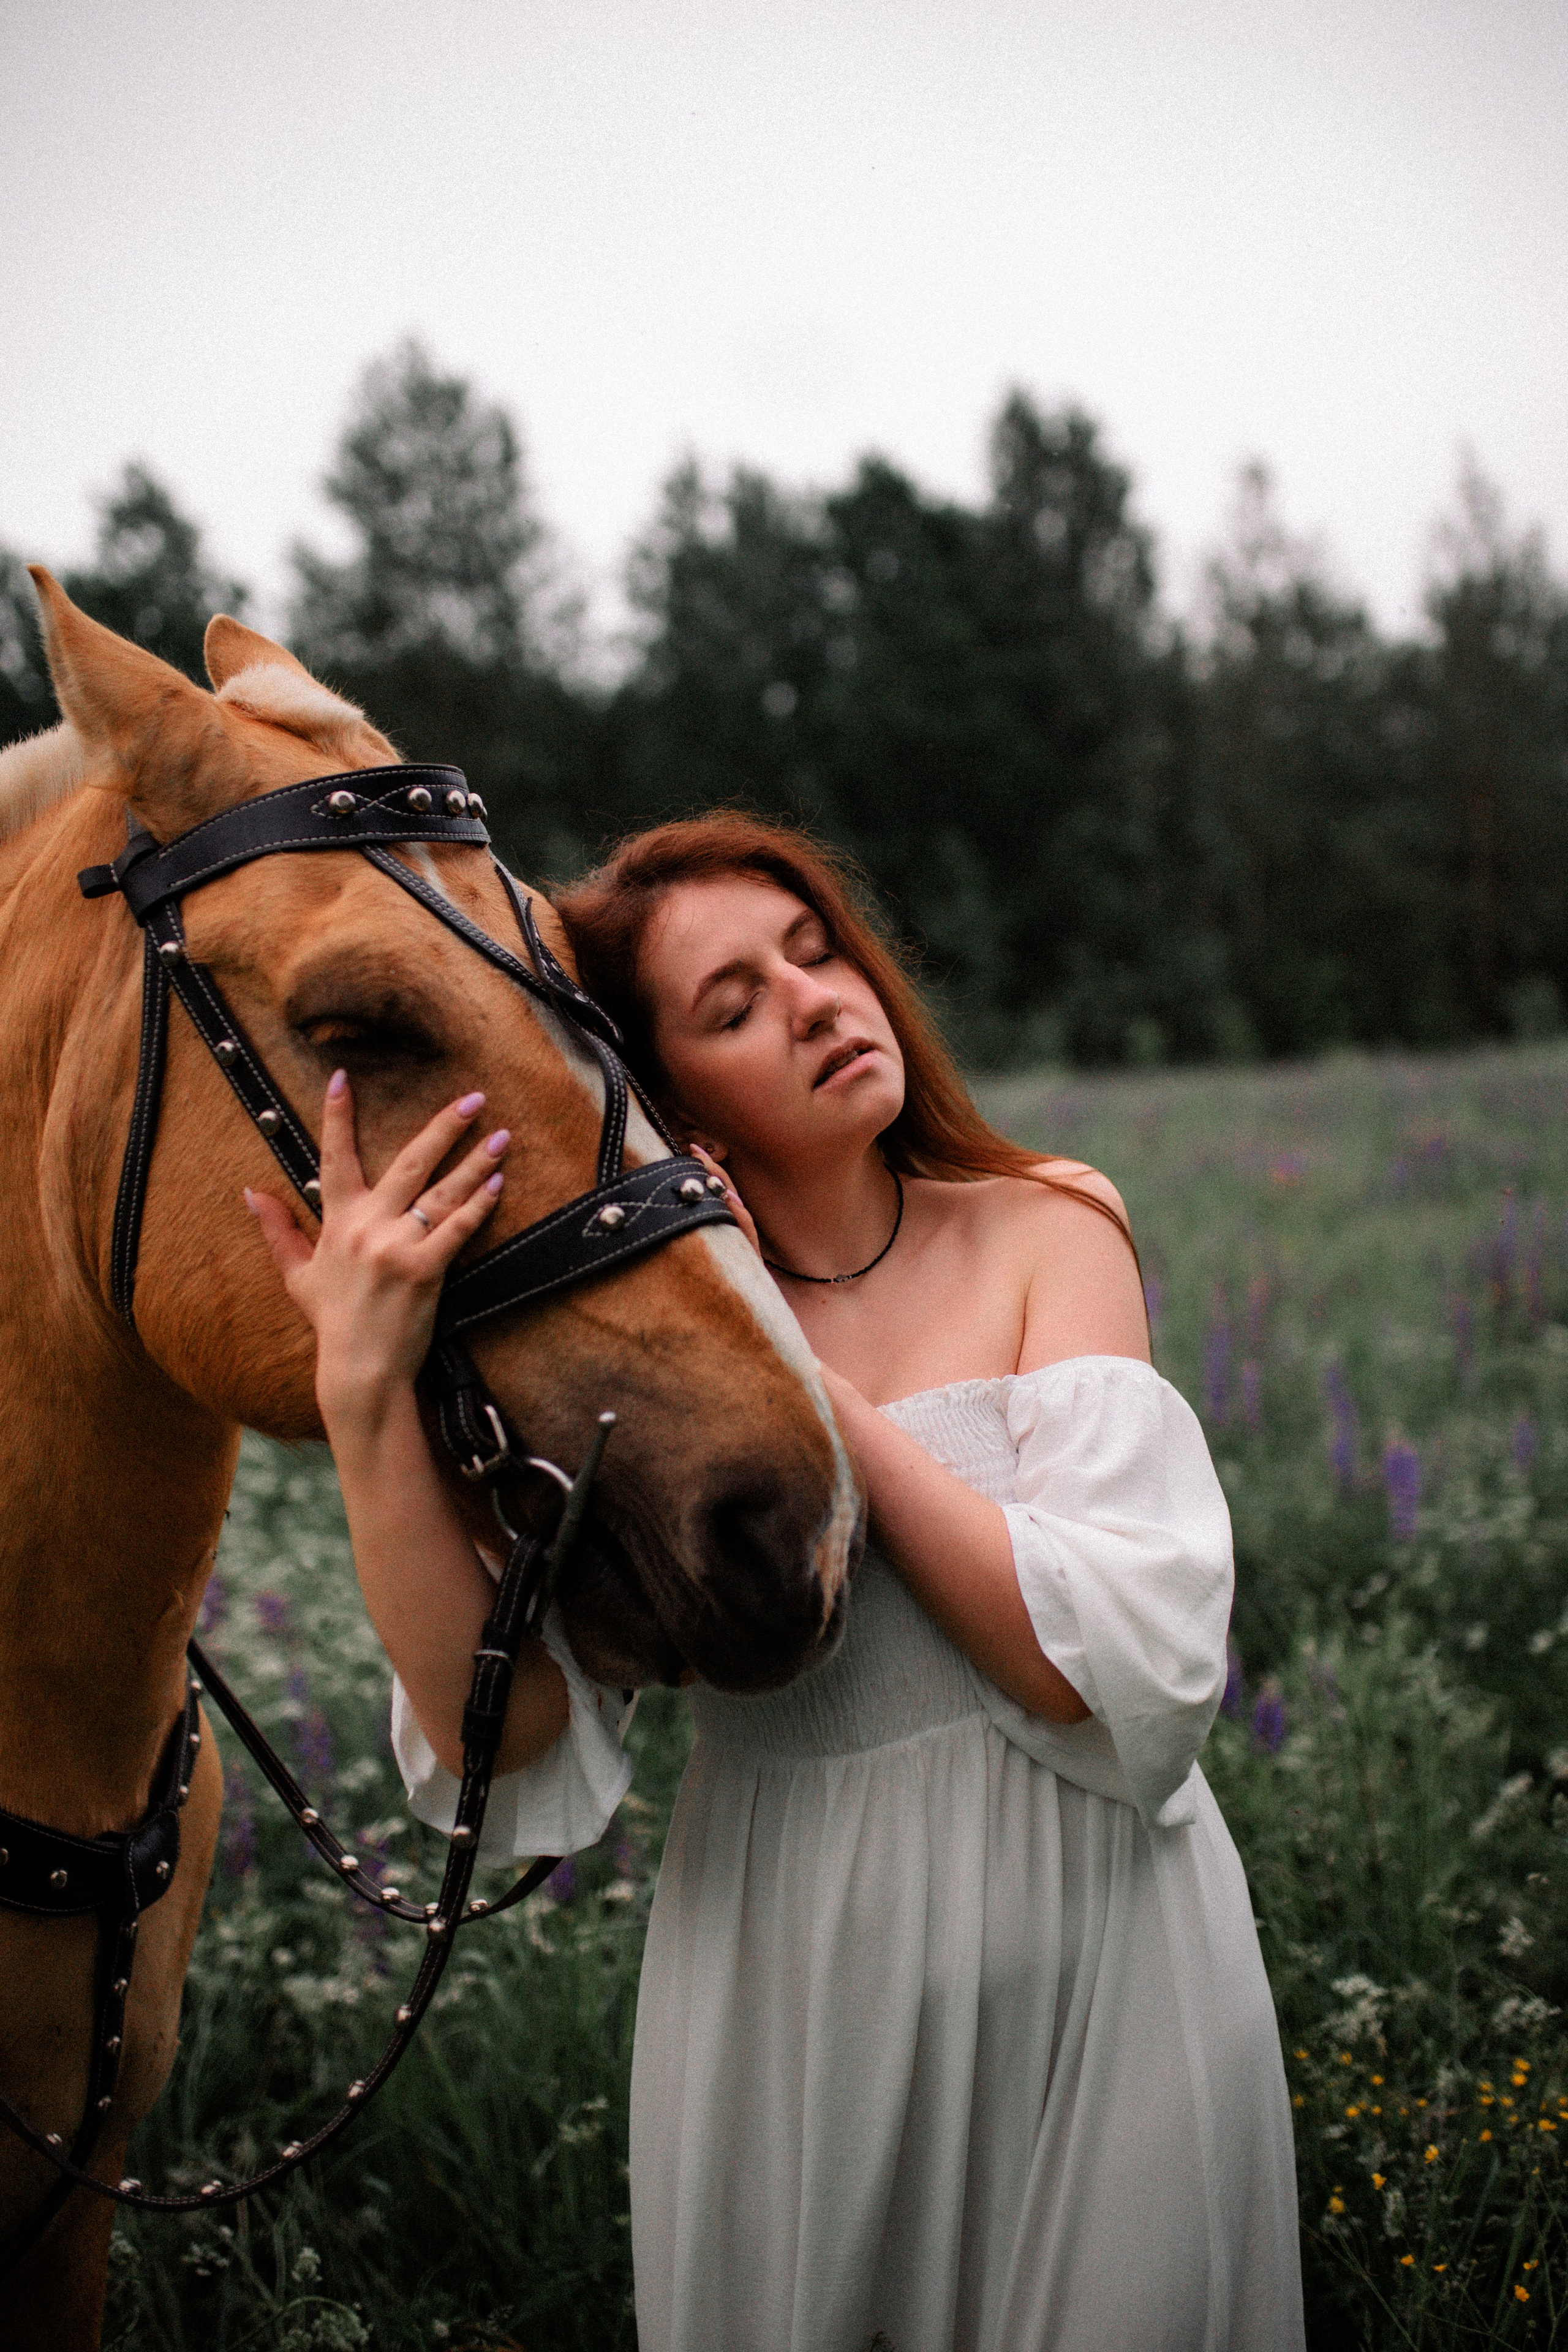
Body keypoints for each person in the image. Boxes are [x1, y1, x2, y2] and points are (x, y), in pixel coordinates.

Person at [251, 812, 1305, 2352]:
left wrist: (795, 1372)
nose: (816, 1000)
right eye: (734, 1006)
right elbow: (516, 1734)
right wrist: (365, 1397)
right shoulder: (639, 1365)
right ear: (676, 1105)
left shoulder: (1045, 1226)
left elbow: (1093, 1667)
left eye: (815, 953)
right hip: (787, 1984)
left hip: (1102, 1963)